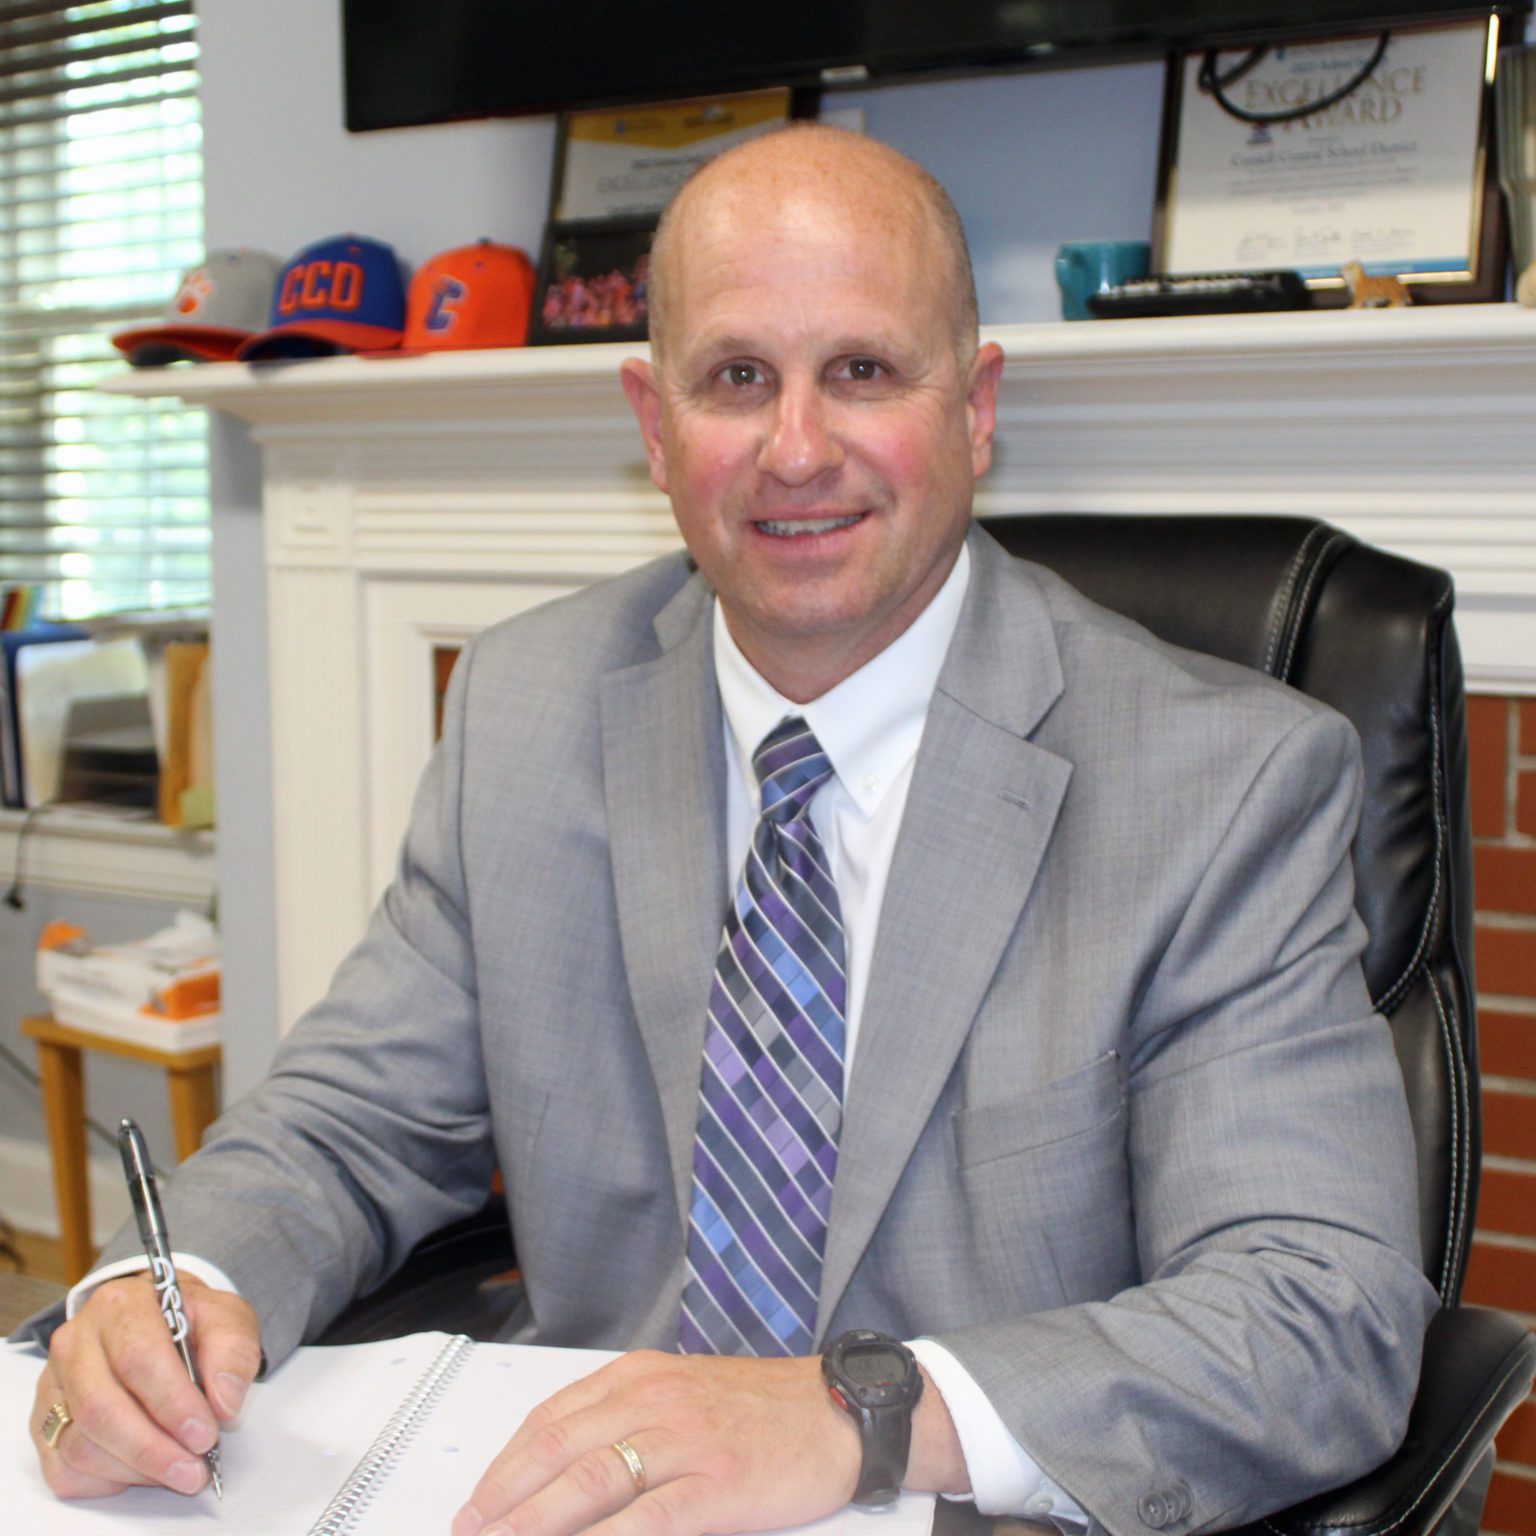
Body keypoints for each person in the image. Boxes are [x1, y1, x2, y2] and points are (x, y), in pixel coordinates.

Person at [26, 125, 1436, 1536]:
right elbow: (350, 1124)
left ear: (977, 407)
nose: (798, 449)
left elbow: (1317, 1311)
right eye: (738, 379)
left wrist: (856, 1415)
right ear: (654, 425)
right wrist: (174, 1294)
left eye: (865, 371)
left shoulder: (1219, 783)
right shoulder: (525, 710)